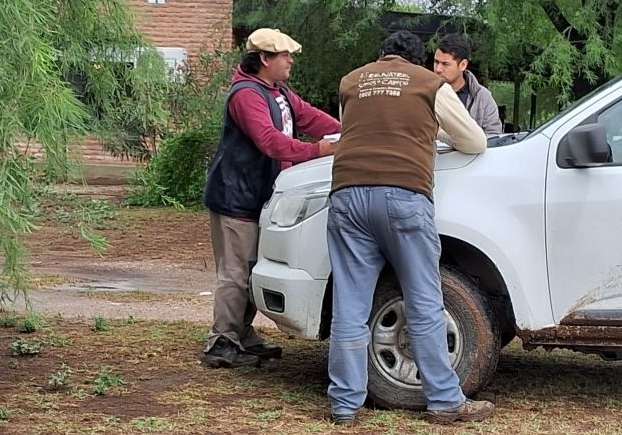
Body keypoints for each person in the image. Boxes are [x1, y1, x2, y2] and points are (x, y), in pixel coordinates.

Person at [326, 30, 495, 425]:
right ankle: (444, 400)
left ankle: (344, 405)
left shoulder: (351, 82)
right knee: (423, 301)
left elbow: (356, 128)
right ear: (419, 61)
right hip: (404, 196)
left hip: (347, 196)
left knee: (350, 306)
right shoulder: (429, 84)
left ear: (380, 56)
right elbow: (474, 140)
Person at [201, 28, 340, 368]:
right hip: (237, 197)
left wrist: (346, 131)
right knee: (236, 271)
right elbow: (269, 140)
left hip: (257, 195)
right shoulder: (246, 95)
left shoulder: (276, 91)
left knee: (251, 268)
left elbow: (308, 116)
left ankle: (241, 334)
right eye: (284, 55)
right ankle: (222, 341)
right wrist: (317, 150)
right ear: (264, 59)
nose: (291, 60)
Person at [433, 33, 503, 134]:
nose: (438, 69)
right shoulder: (426, 92)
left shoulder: (482, 97)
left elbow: (493, 136)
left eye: (445, 64)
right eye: (436, 62)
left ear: (463, 65)